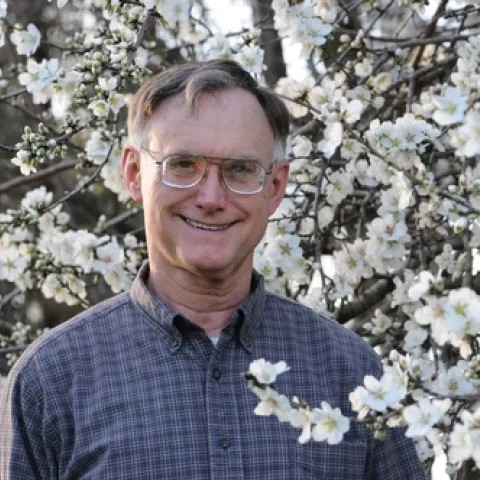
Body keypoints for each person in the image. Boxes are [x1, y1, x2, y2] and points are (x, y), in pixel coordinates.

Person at [0, 59, 426, 479]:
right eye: (183, 164)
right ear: (133, 173)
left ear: (275, 188)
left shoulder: (351, 373)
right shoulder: (51, 381)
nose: (210, 197)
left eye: (240, 170)